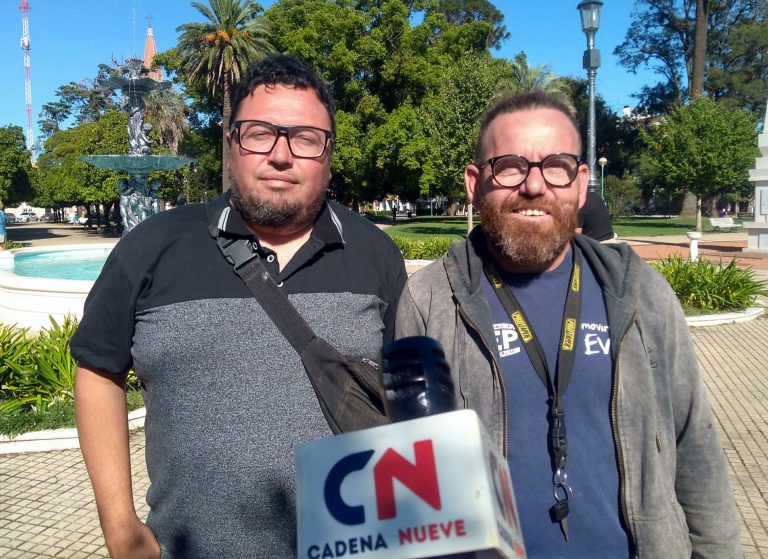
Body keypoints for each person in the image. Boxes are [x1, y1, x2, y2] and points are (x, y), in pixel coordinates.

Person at [72, 54, 406, 559]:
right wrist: (121, 528)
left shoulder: (374, 253)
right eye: (259, 133)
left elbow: (409, 398)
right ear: (231, 142)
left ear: (328, 154)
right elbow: (98, 368)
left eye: (305, 138)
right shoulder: (152, 246)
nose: (280, 155)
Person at [395, 90, 741, 558]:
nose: (534, 186)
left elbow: (695, 447)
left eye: (555, 165)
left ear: (580, 183)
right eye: (510, 166)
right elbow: (413, 480)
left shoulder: (642, 294)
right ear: (475, 183)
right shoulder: (430, 300)